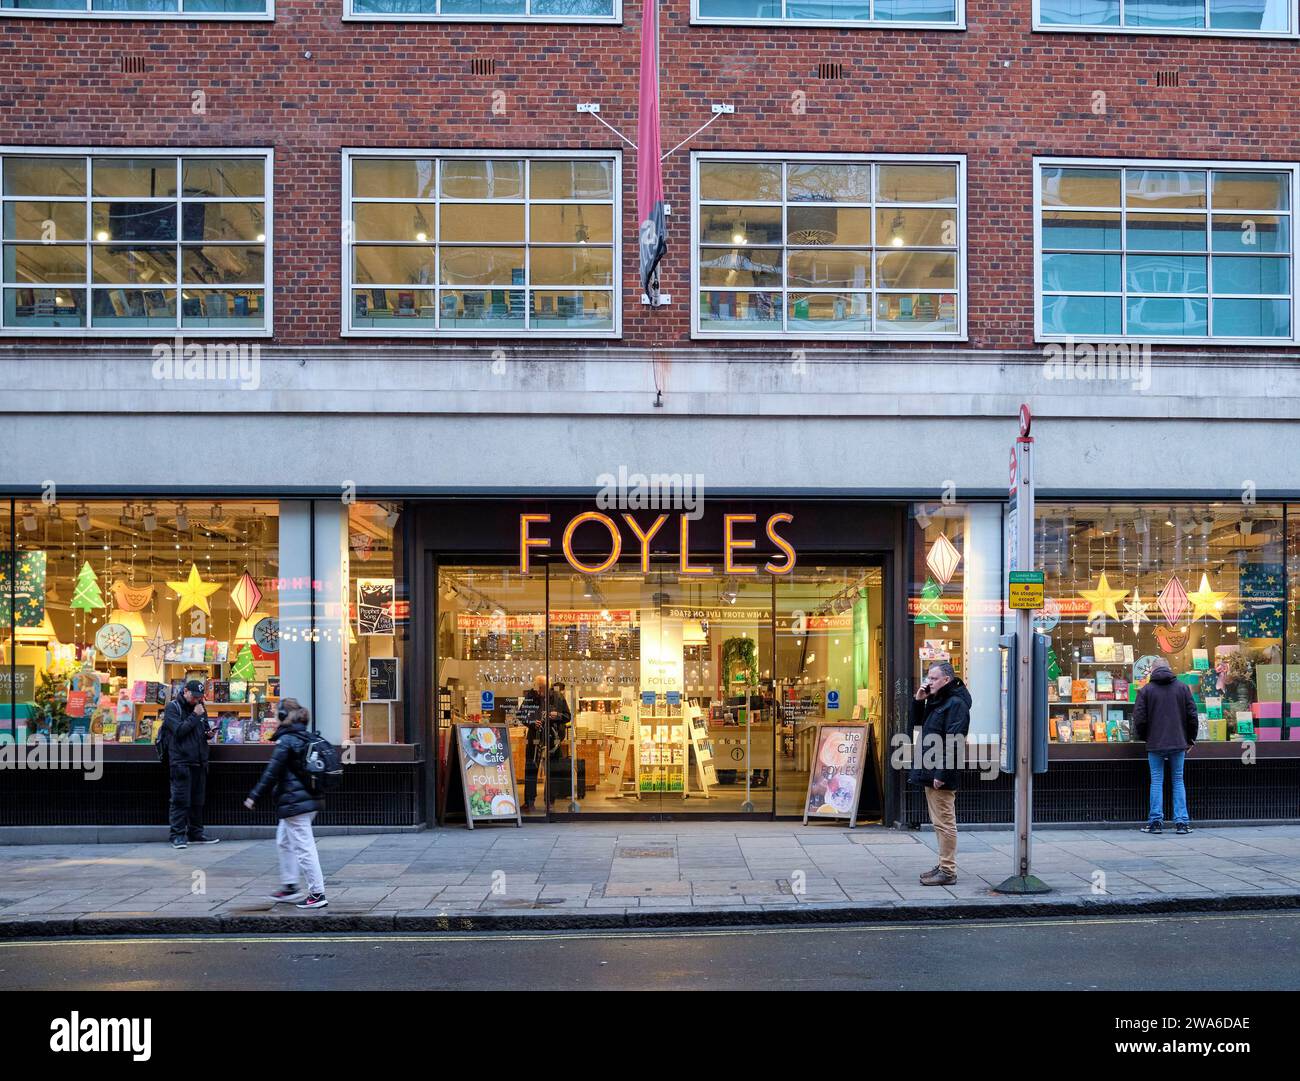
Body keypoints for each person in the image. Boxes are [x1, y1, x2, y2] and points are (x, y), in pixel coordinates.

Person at [243, 699, 327, 909]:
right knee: (284, 840)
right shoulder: (304, 735)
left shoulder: (288, 740)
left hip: (295, 802)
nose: (272, 717)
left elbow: (272, 772)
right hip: (307, 799)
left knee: (304, 847)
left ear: (283, 716)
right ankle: (290, 886)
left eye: (275, 714)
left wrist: (254, 795)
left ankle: (317, 893)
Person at [908, 661, 971, 886]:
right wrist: (918, 701)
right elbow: (915, 726)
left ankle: (948, 870)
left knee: (944, 822)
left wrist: (941, 773)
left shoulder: (956, 704)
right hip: (930, 767)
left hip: (940, 772)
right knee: (938, 821)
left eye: (933, 678)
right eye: (928, 677)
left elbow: (955, 741)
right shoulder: (938, 701)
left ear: (946, 679)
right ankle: (943, 864)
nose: (929, 681)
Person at [1134, 661, 1199, 835]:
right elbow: (1192, 715)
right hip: (1178, 742)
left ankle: (1155, 822)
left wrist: (1145, 737)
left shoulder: (1146, 690)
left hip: (1155, 743)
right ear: (1170, 669)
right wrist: (1191, 738)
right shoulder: (1182, 688)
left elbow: (1139, 718)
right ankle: (1182, 823)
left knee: (1156, 781)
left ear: (1153, 670)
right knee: (1178, 780)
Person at [159, 679, 220, 849]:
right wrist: (195, 715)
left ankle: (196, 833)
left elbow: (203, 729)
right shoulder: (173, 707)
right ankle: (177, 836)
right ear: (185, 691)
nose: (196, 700)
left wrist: (209, 733)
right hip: (181, 762)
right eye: (194, 697)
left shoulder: (200, 707)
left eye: (199, 697)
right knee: (180, 800)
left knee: (197, 801)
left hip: (199, 761)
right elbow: (178, 731)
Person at [518, 674, 570, 813]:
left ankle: (550, 802)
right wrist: (531, 722)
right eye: (540, 687)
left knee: (552, 771)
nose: (542, 690)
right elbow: (521, 714)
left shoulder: (558, 697)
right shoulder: (530, 697)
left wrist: (557, 716)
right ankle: (529, 802)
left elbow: (567, 716)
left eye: (545, 687)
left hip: (553, 740)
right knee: (531, 770)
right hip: (534, 738)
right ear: (536, 686)